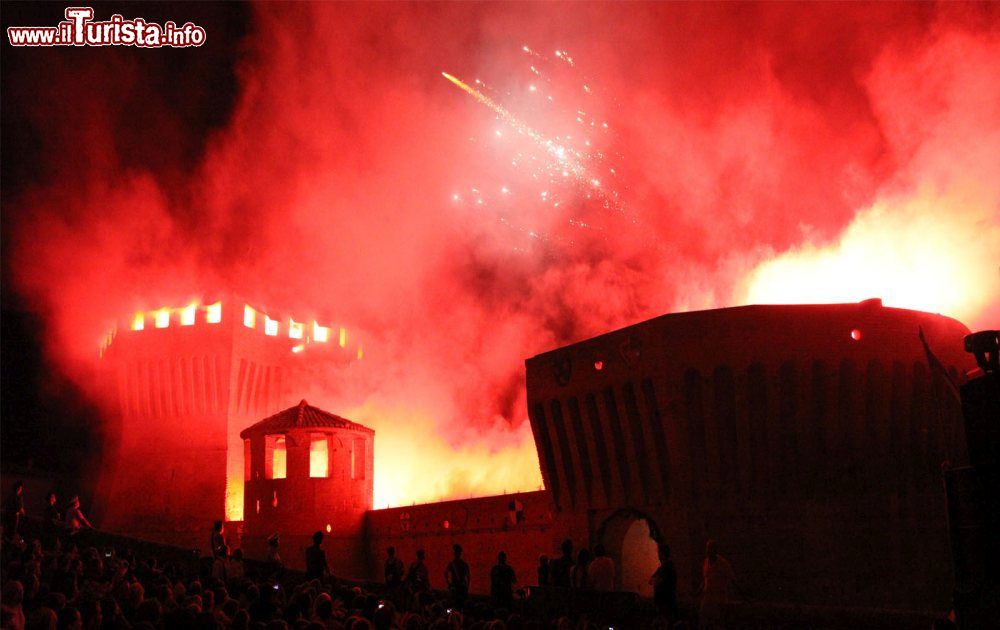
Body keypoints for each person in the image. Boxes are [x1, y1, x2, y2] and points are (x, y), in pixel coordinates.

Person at [699, 540, 737, 630]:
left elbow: (732, 580)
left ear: (715, 550)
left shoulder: (723, 564)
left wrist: (743, 594)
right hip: (707, 599)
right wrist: (698, 591)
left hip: (719, 600)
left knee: (717, 624)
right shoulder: (706, 562)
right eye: (707, 548)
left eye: (709, 548)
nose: (707, 550)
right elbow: (706, 579)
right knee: (703, 622)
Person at [650, 544, 678, 622]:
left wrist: (657, 581)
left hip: (666, 601)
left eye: (659, 553)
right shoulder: (662, 568)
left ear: (662, 554)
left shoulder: (668, 567)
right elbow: (651, 580)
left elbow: (660, 581)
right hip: (662, 601)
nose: (658, 555)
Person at [444, 544, 471, 609]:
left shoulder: (452, 564)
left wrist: (449, 583)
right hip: (462, 587)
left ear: (454, 554)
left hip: (454, 587)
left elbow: (445, 573)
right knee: (461, 604)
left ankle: (450, 615)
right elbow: (468, 577)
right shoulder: (465, 564)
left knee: (452, 605)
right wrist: (467, 587)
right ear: (460, 554)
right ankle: (460, 616)